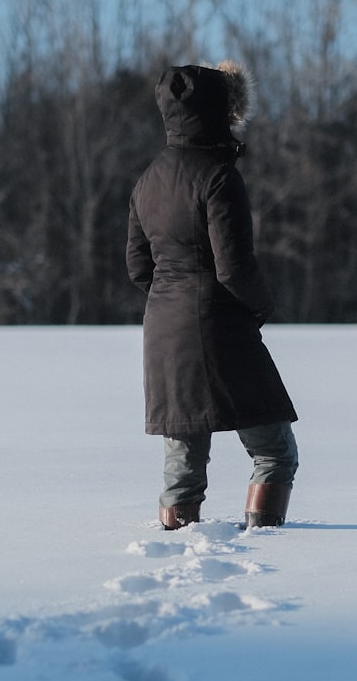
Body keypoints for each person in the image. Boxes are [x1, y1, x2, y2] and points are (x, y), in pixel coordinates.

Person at [126, 60, 299, 529]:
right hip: (220, 328)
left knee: (183, 460)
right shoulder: (220, 177)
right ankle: (265, 543)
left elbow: (138, 267)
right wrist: (262, 306)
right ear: (222, 110)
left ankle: (175, 541)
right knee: (275, 452)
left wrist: (171, 299)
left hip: (163, 332)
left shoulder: (146, 181)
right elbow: (234, 268)